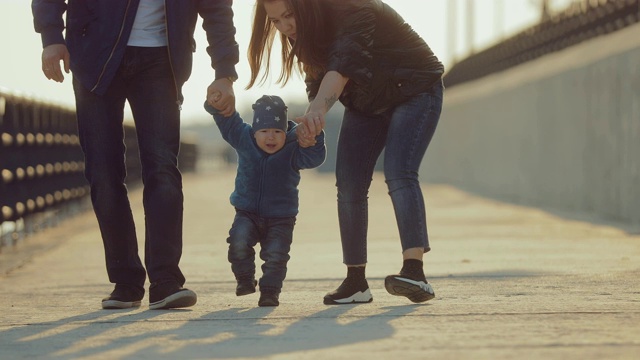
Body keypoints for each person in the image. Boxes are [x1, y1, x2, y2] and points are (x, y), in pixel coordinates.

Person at [32, 0, 239, 310]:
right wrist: (51, 37)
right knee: (102, 172)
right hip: (95, 53)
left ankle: (165, 280)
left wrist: (225, 71)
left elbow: (217, 8)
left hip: (162, 59)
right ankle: (126, 281)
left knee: (162, 168)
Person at [247, 0, 444, 304]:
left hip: (415, 88)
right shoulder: (303, 34)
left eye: (289, 16)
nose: (285, 27)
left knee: (399, 171)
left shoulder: (349, 6)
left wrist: (317, 110)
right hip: (366, 102)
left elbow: (343, 64)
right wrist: (311, 126)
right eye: (276, 22)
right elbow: (318, 80)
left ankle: (415, 272)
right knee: (349, 182)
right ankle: (356, 282)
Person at [205, 95, 326, 307]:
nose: (271, 137)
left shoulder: (293, 147)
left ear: (285, 131)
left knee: (276, 256)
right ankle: (244, 279)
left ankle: (270, 292)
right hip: (247, 212)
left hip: (281, 217)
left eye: (278, 131)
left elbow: (313, 158)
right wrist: (216, 106)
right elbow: (228, 122)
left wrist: (314, 138)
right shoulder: (244, 139)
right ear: (255, 131)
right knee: (238, 243)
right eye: (265, 131)